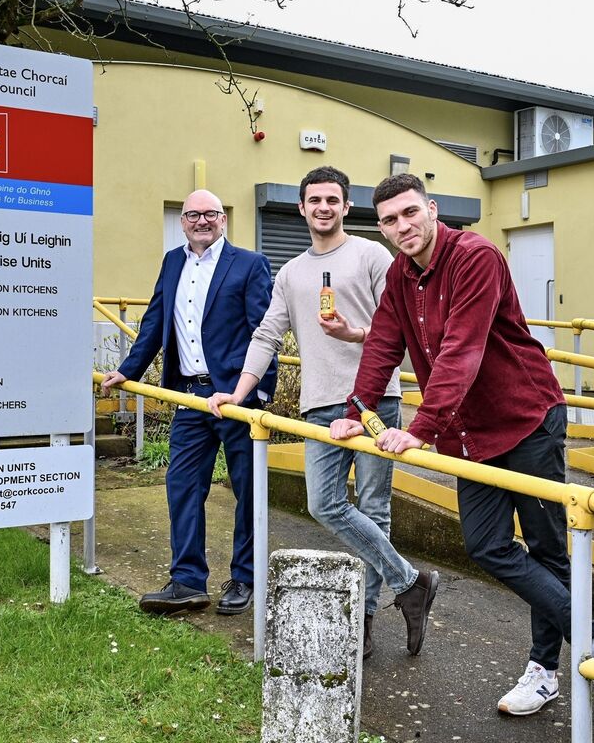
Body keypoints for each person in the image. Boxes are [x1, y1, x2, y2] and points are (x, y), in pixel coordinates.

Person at [330, 173, 594, 717]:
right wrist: (359, 411)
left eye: (410, 213)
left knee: (546, 549)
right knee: (485, 545)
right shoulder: (399, 276)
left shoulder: (477, 257)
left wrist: (419, 428)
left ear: (432, 209)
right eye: (391, 220)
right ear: (382, 227)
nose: (403, 227)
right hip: (470, 430)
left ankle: (545, 669)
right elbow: (382, 344)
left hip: (527, 417)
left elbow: (462, 351)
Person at [206, 166, 437, 659]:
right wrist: (238, 393)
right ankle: (410, 582)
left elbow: (395, 328)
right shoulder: (290, 273)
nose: (323, 207)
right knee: (324, 504)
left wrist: (356, 333)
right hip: (318, 404)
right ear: (302, 207)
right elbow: (267, 335)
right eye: (314, 200)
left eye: (332, 199)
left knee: (376, 509)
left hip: (374, 401)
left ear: (346, 206)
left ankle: (367, 622)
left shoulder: (372, 254)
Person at [102, 189, 276, 616]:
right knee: (182, 487)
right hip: (189, 396)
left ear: (223, 220)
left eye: (211, 213)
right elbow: (156, 319)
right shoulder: (172, 262)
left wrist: (256, 395)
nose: (202, 221)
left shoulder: (250, 264)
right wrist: (129, 370)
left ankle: (245, 577)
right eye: (193, 214)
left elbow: (265, 331)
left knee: (246, 490)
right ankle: (186, 582)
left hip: (236, 398)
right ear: (182, 222)